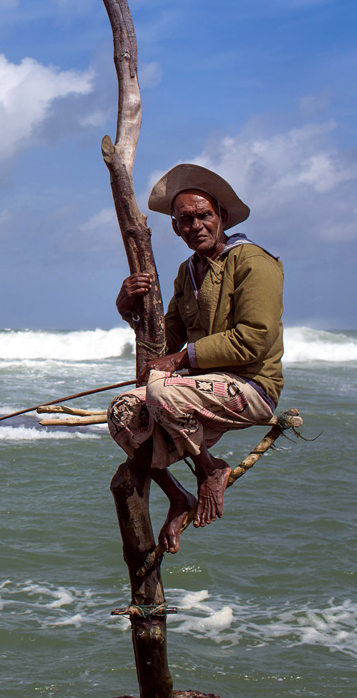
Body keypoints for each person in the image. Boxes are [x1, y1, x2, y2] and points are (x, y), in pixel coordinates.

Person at [109, 164, 283, 554]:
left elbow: (255, 338)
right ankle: (179, 494)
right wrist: (128, 309)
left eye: (204, 215)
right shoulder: (187, 272)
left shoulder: (254, 262)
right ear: (174, 228)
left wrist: (182, 360)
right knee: (120, 412)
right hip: (196, 392)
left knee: (161, 392)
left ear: (221, 216)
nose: (196, 225)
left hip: (250, 388)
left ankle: (211, 470)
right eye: (185, 219)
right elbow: (164, 344)